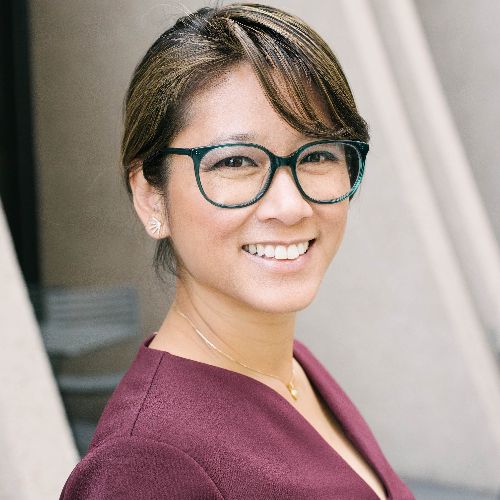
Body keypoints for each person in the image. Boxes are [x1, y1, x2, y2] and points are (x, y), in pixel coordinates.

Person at [60, 3, 414, 499]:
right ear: (151, 197)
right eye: (234, 162)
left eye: (317, 154)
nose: (290, 207)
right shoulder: (144, 466)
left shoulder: (292, 368)